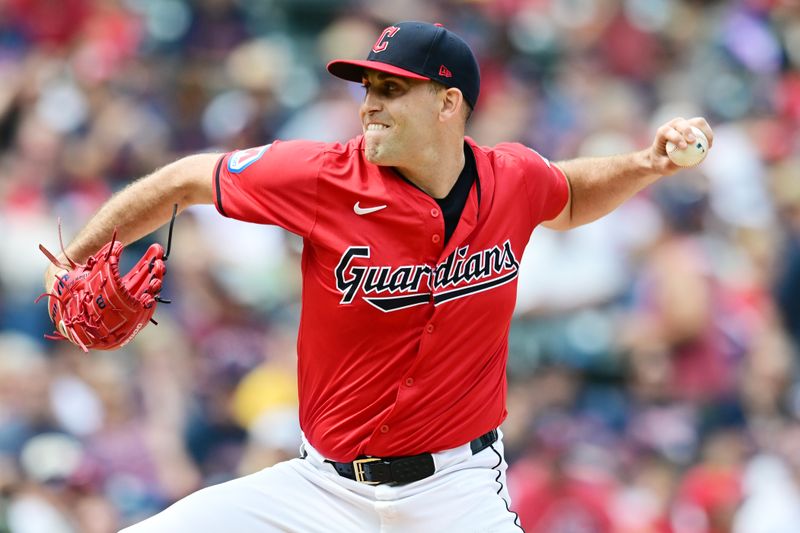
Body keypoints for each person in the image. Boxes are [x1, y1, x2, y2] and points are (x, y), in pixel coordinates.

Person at [42, 21, 713, 533]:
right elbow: (186, 179)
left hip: (456, 491)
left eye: (392, 89)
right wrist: (77, 259)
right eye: (367, 89)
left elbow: (567, 193)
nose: (369, 105)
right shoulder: (322, 175)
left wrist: (646, 164)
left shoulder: (509, 178)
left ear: (448, 104)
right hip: (318, 492)